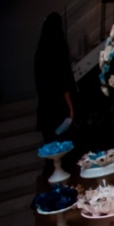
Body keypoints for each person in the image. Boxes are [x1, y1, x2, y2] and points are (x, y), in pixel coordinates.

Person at [34, 12, 76, 142]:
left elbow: (38, 81)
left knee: (50, 143)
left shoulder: (40, 52)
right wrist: (71, 107)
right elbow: (63, 82)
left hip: (45, 107)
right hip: (60, 107)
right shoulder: (59, 49)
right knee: (64, 143)